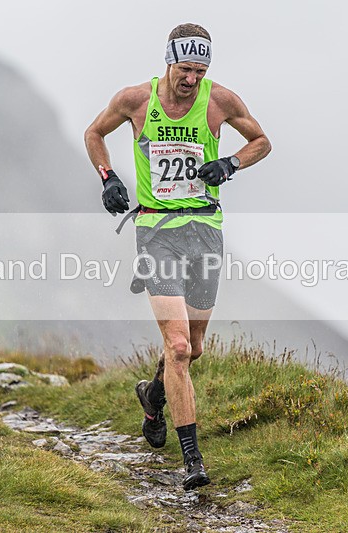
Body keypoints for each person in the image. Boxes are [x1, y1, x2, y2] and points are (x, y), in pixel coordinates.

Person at [84, 22, 271, 490]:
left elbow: (261, 142)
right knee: (180, 347)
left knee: (195, 347)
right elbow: (94, 133)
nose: (192, 79)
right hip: (155, 231)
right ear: (169, 61)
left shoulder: (220, 101)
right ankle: (193, 462)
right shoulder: (135, 100)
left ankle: (153, 394)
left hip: (204, 230)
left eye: (200, 70)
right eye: (185, 69)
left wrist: (230, 163)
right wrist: (108, 177)